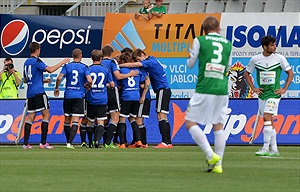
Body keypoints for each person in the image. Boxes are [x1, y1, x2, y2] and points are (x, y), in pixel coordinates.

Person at [185, 16, 232, 174]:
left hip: (205, 87)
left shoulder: (200, 40)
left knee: (190, 123)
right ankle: (218, 165)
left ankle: (210, 155)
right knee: (218, 126)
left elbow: (191, 64)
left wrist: (190, 57)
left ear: (204, 30)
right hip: (222, 88)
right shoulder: (228, 44)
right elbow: (228, 68)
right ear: (219, 27)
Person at [244, 35, 294, 157]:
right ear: (265, 47)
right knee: (268, 120)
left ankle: (265, 147)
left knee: (267, 117)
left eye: (275, 44)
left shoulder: (279, 59)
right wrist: (254, 88)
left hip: (274, 94)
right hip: (262, 95)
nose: (274, 47)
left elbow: (290, 73)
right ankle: (275, 149)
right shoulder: (256, 59)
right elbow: (246, 74)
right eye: (272, 45)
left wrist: (284, 89)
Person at [119, 49, 172, 148]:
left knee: (160, 116)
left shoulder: (148, 62)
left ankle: (163, 142)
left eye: (139, 59)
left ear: (143, 55)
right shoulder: (152, 59)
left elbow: (132, 66)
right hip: (163, 90)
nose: (139, 62)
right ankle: (168, 142)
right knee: (163, 117)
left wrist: (119, 66)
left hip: (162, 89)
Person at [22, 42, 69, 149]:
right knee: (46, 115)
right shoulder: (37, 61)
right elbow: (50, 70)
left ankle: (25, 144)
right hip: (39, 92)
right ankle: (43, 143)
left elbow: (26, 79)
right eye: (39, 49)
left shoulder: (26, 62)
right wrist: (62, 62)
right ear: (37, 50)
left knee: (30, 117)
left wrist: (42, 80)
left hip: (30, 93)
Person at [100, 45, 138, 148]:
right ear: (111, 53)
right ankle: (108, 143)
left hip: (100, 91)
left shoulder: (99, 62)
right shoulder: (113, 63)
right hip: (113, 90)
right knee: (115, 117)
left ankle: (97, 141)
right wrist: (130, 74)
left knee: (103, 118)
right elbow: (118, 76)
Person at [54, 48, 92, 149]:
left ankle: (68, 142)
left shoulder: (67, 66)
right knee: (75, 120)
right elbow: (90, 80)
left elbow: (59, 78)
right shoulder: (84, 67)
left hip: (68, 95)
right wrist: (88, 86)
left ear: (72, 55)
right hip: (78, 96)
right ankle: (70, 143)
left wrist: (57, 87)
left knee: (67, 119)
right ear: (81, 56)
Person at [85, 50, 114, 148]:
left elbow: (85, 84)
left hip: (91, 98)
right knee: (101, 121)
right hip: (102, 99)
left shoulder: (88, 69)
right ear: (101, 58)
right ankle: (97, 141)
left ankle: (90, 142)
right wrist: (104, 85)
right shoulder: (106, 69)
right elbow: (112, 84)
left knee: (90, 121)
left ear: (91, 58)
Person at [118, 52, 144, 148]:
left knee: (122, 119)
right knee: (133, 119)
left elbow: (119, 84)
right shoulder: (137, 71)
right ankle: (139, 141)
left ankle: (122, 143)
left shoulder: (122, 70)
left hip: (126, 96)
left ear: (123, 61)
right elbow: (142, 83)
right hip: (136, 96)